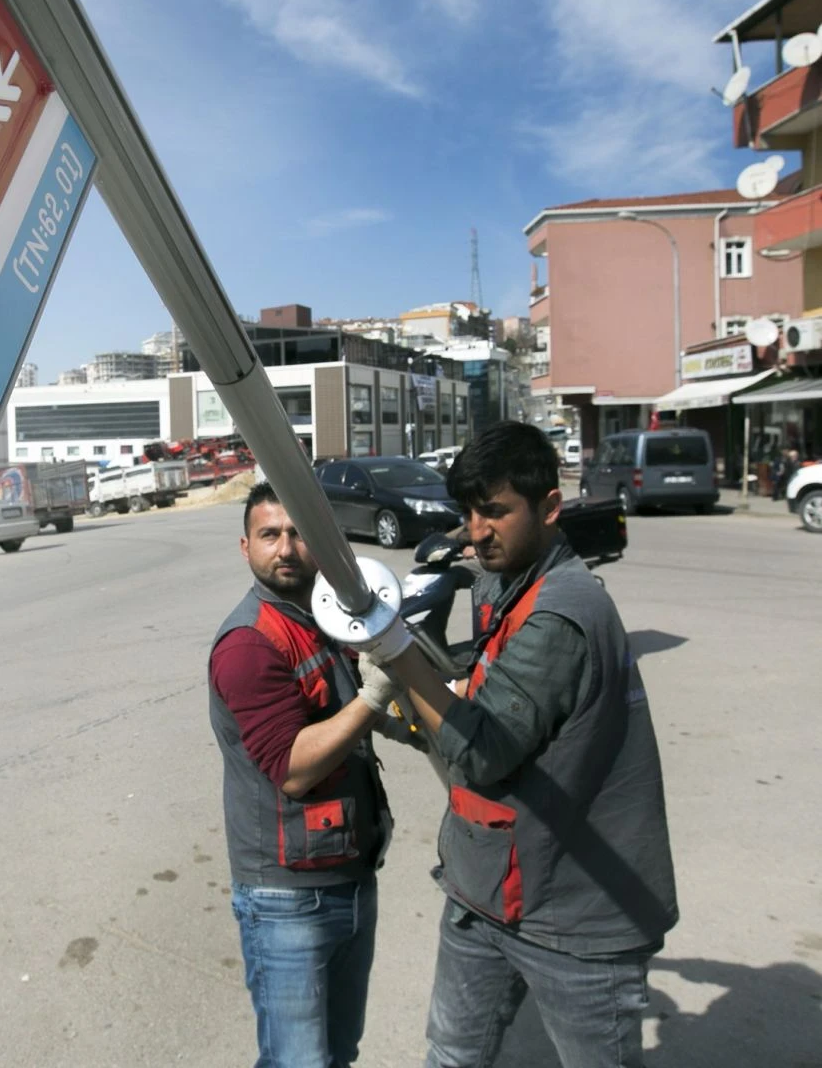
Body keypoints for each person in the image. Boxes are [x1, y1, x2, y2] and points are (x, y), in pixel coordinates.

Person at [360, 422, 678, 1068]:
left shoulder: (564, 612)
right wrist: (446, 547)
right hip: (481, 895)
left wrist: (394, 651)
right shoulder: (505, 578)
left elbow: (482, 751)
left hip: (575, 921)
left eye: (496, 512)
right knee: (450, 1056)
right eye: (469, 513)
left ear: (550, 507)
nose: (478, 531)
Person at [209, 481, 411, 1068]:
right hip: (287, 899)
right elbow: (292, 769)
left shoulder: (320, 617)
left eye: (299, 534)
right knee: (300, 1062)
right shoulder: (249, 642)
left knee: (338, 1054)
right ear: (245, 547)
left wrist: (391, 713)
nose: (287, 548)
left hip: (349, 876)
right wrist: (374, 700)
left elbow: (339, 707)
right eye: (270, 535)